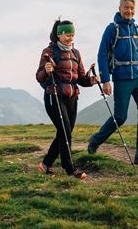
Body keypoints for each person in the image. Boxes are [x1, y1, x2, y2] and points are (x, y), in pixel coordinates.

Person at [88, 0, 138, 167]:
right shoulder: (112, 29)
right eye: (126, 7)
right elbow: (102, 54)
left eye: (132, 8)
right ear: (119, 8)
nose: (129, 11)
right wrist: (105, 80)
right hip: (122, 78)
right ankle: (95, 141)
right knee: (120, 116)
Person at [36, 19, 98, 179]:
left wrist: (92, 80)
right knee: (65, 131)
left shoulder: (76, 53)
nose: (71, 38)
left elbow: (82, 79)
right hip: (54, 96)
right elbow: (39, 76)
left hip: (72, 97)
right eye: (67, 35)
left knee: (65, 132)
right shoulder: (49, 52)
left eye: (72, 35)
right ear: (59, 34)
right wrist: (47, 70)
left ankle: (46, 164)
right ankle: (70, 168)